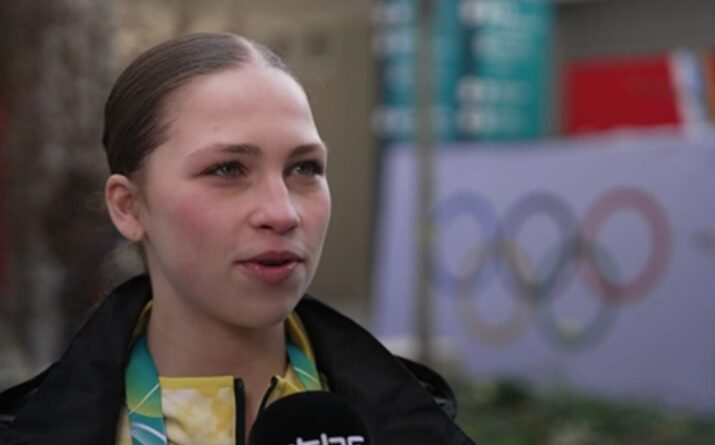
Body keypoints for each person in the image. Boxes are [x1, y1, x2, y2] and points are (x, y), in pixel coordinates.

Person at [0, 32, 474, 445]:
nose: (282, 213)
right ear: (128, 207)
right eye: (227, 169)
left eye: (304, 168)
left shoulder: (408, 424)